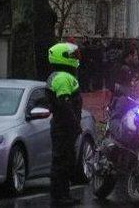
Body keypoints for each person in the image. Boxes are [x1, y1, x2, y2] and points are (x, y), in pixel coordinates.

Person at [46, 42, 82, 206]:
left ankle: (64, 194)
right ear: (63, 57)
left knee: (65, 160)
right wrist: (74, 124)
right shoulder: (62, 78)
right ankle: (59, 196)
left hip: (63, 126)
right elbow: (64, 103)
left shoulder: (59, 75)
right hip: (64, 127)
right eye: (73, 56)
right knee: (62, 161)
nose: (76, 59)